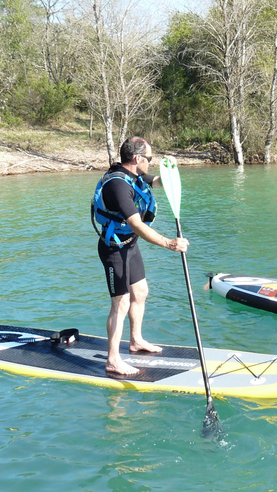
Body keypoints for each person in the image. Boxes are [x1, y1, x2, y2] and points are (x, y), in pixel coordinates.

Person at [91, 136, 189, 376]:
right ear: (137, 159)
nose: (151, 163)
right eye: (150, 159)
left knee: (141, 292)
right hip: (114, 249)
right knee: (120, 302)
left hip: (130, 247)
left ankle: (136, 341)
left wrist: (170, 169)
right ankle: (113, 359)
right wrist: (169, 243)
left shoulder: (134, 176)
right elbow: (136, 224)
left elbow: (160, 183)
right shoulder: (117, 185)